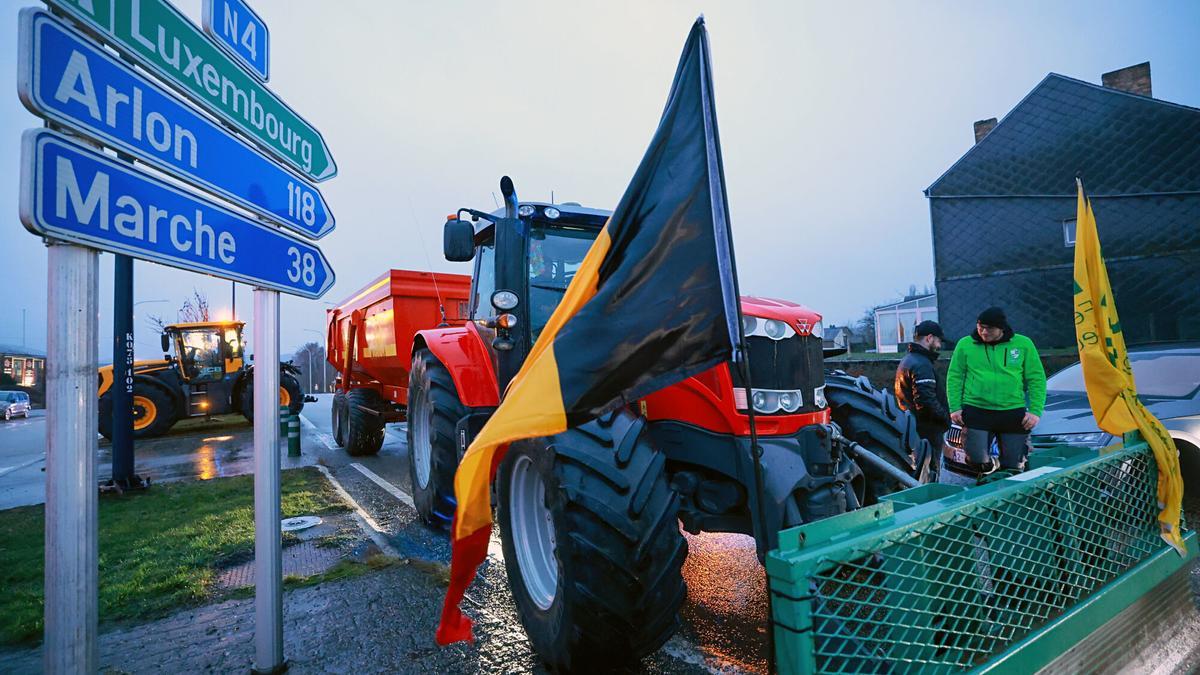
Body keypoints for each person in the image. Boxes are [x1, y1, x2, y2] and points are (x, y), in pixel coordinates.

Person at [946, 306, 1046, 474]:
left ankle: (1007, 489)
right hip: (977, 409)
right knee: (976, 460)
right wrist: (955, 407)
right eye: (980, 327)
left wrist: (1035, 411)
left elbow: (1036, 379)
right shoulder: (965, 344)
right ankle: (992, 466)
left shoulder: (1023, 344)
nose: (984, 332)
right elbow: (954, 377)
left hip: (1012, 410)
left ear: (1001, 328)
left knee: (1014, 465)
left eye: (989, 328)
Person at [894, 320, 950, 481]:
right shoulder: (922, 364)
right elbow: (926, 402)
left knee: (917, 473)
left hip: (912, 427)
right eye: (938, 341)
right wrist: (945, 419)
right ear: (930, 338)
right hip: (927, 430)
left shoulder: (908, 360)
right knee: (929, 474)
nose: (939, 346)